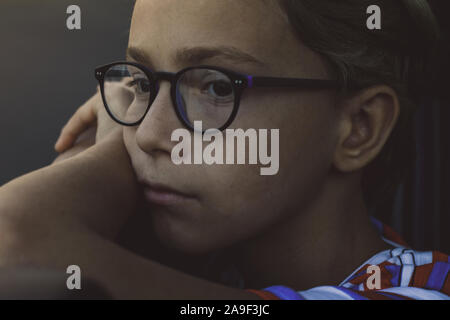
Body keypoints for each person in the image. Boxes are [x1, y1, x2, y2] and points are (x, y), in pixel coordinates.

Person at [0, 0, 448, 300]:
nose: (150, 134)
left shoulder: (419, 291)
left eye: (216, 86)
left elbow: (17, 244)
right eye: (141, 81)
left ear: (358, 128)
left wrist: (112, 140)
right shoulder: (213, 264)